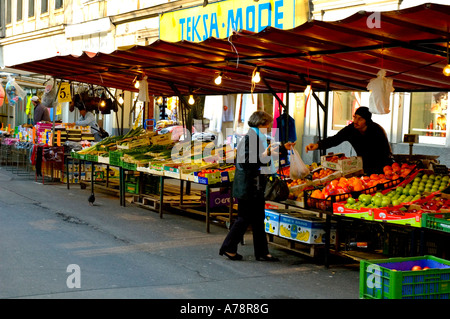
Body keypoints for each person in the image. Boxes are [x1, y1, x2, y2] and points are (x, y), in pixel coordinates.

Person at [220, 110, 295, 261]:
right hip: (249, 186)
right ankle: (229, 247)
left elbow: (263, 156)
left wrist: (282, 149)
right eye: (266, 125)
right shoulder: (251, 139)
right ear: (260, 124)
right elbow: (249, 161)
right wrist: (265, 156)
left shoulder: (256, 138)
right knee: (244, 218)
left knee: (258, 219)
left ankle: (262, 252)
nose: (268, 128)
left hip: (254, 186)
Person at [305, 106, 393, 175]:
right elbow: (335, 139)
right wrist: (317, 145)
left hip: (382, 167)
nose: (355, 121)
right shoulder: (351, 129)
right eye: (355, 117)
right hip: (362, 166)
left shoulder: (377, 131)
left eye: (360, 119)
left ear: (367, 121)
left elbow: (385, 153)